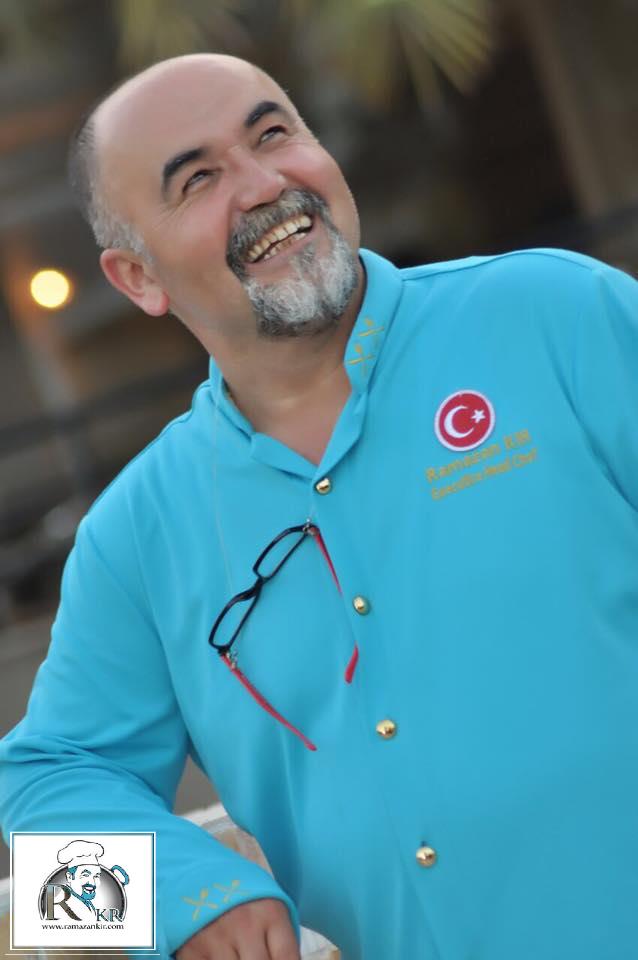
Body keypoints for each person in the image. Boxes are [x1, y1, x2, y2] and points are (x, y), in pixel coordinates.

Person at [2, 52, 638, 960]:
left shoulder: (558, 314)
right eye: (198, 179)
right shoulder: (134, 537)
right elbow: (37, 823)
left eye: (273, 134)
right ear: (138, 278)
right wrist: (180, 900)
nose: (266, 184)